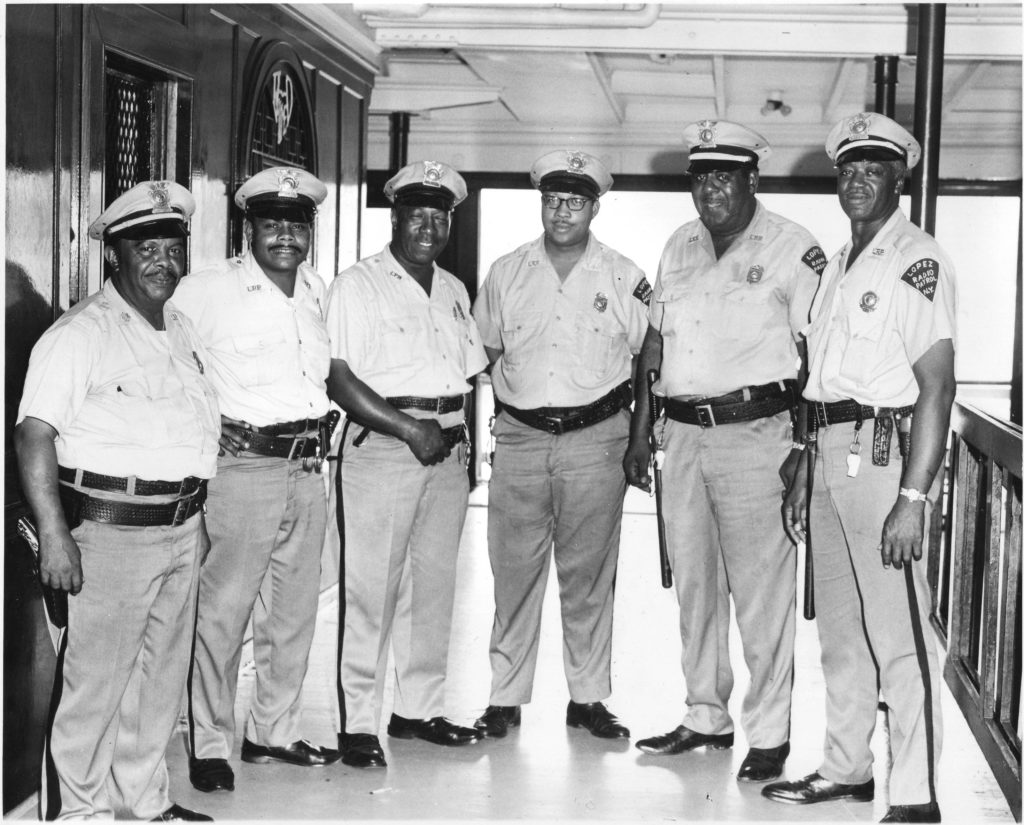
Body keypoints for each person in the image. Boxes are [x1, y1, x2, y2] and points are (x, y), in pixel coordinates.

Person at [762, 113, 955, 824]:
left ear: (897, 178)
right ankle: (847, 767)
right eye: (847, 169)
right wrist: (805, 462)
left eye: (873, 169)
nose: (857, 180)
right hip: (828, 456)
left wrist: (914, 495)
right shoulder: (839, 264)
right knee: (840, 631)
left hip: (881, 461)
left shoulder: (916, 259)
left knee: (899, 633)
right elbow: (822, 382)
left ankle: (916, 795)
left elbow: (936, 384)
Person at [623, 121, 827, 782]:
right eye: (700, 176)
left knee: (763, 592)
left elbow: (817, 358)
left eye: (724, 175)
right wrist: (639, 430)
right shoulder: (678, 246)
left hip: (756, 435)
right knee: (695, 585)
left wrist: (804, 444)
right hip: (680, 436)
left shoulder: (794, 248)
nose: (710, 187)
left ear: (751, 179)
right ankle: (705, 714)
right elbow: (655, 348)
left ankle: (769, 733)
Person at [15, 181, 218, 821]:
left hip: (180, 526)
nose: (162, 261)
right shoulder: (80, 334)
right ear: (115, 256)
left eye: (171, 247)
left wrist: (197, 516)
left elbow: (189, 431)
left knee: (159, 679)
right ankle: (78, 813)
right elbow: (33, 435)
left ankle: (144, 799)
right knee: (95, 686)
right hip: (110, 531)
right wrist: (54, 533)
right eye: (145, 249)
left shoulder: (179, 327)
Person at [472, 149, 648, 741]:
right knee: (513, 571)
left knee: (589, 574)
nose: (562, 211)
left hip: (597, 439)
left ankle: (588, 698)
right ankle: (504, 697)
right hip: (520, 436)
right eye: (552, 200)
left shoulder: (624, 276)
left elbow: (649, 357)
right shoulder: (506, 272)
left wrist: (640, 436)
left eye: (575, 201)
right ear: (540, 204)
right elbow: (486, 356)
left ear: (596, 206)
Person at [174, 167, 339, 794]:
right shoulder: (208, 289)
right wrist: (203, 421)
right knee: (224, 612)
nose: (285, 236)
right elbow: (165, 351)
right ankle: (209, 741)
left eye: (296, 225)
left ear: (309, 231)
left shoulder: (315, 290)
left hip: (307, 466)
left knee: (293, 614)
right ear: (250, 228)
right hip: (244, 470)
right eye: (272, 224)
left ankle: (271, 732)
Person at [326, 160, 488, 769]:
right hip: (386, 447)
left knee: (434, 589)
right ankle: (359, 723)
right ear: (395, 216)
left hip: (445, 451)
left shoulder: (451, 289)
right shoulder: (358, 285)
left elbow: (468, 376)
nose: (428, 226)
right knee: (372, 592)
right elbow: (339, 378)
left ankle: (418, 709)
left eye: (439, 214)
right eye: (417, 213)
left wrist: (461, 443)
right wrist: (406, 427)